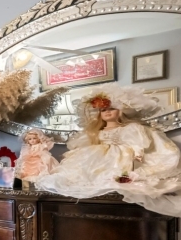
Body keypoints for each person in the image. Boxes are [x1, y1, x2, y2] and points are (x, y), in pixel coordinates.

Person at [36, 84, 181, 216]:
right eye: (103, 110)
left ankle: (117, 179)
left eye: (112, 109)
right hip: (98, 159)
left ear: (121, 111)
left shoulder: (130, 128)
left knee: (120, 175)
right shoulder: (96, 132)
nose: (107, 112)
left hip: (121, 158)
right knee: (85, 170)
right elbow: (85, 148)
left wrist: (138, 154)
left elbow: (137, 142)